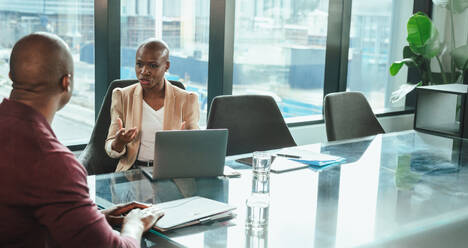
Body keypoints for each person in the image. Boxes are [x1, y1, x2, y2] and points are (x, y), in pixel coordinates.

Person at [0, 32, 163, 248]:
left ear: (12, 76)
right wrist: (135, 224)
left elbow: (20, 214)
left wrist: (94, 217)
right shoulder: (53, 162)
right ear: (66, 82)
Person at [105, 39, 200, 172]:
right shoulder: (122, 96)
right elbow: (110, 146)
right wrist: (118, 143)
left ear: (166, 66)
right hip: (133, 172)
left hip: (172, 173)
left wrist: (183, 143)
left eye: (153, 66)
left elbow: (197, 148)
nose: (144, 71)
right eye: (139, 64)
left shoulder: (187, 100)